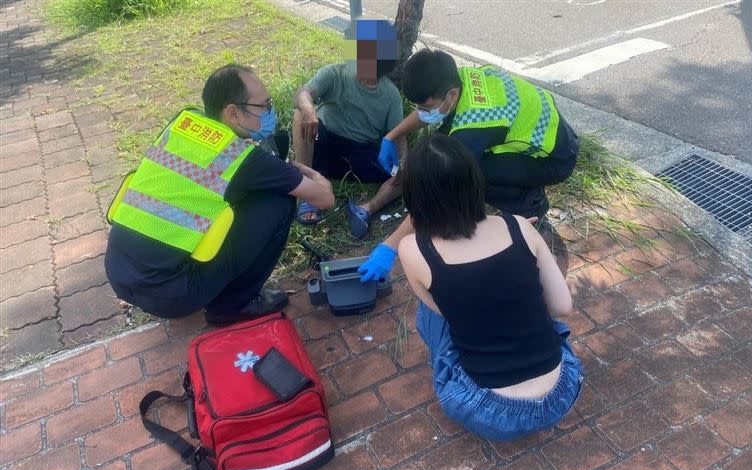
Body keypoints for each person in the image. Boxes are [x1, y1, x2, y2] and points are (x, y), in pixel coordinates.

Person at [105, 64, 335, 325]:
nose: (270, 112)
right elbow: (324, 197)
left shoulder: (184, 120)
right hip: (171, 294)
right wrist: (298, 169)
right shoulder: (244, 158)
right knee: (279, 199)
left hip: (119, 272)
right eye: (264, 105)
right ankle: (232, 306)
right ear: (233, 113)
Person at [394, 134, 582, 439]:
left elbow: (446, 312)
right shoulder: (517, 225)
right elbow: (563, 307)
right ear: (475, 181)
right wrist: (521, 247)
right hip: (562, 393)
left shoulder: (413, 249)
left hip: (488, 412)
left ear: (414, 196)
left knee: (429, 310)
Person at [378, 49, 579, 221]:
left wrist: (393, 245)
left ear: (452, 94)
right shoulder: (459, 78)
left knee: (470, 173)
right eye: (418, 107)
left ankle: (531, 204)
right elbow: (428, 112)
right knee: (443, 150)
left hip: (556, 159)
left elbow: (446, 180)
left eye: (426, 107)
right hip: (555, 134)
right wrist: (392, 136)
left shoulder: (473, 127)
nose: (421, 111)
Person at [293, 19, 407, 239]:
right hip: (323, 143)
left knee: (409, 173)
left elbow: (398, 133)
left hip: (361, 155)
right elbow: (302, 94)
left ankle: (365, 210)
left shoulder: (390, 94)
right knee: (299, 112)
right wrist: (308, 107)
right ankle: (307, 190)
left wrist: (404, 159)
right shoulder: (334, 73)